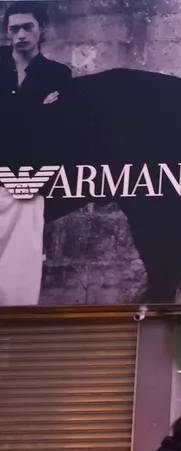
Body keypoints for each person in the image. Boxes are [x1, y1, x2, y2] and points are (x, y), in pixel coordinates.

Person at [0, 2, 72, 306]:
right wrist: (35, 110)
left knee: (19, 270)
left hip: (26, 184)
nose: (20, 34)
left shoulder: (56, 73)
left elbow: (57, 130)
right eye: (14, 28)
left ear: (42, 29)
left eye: (27, 26)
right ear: (6, 32)